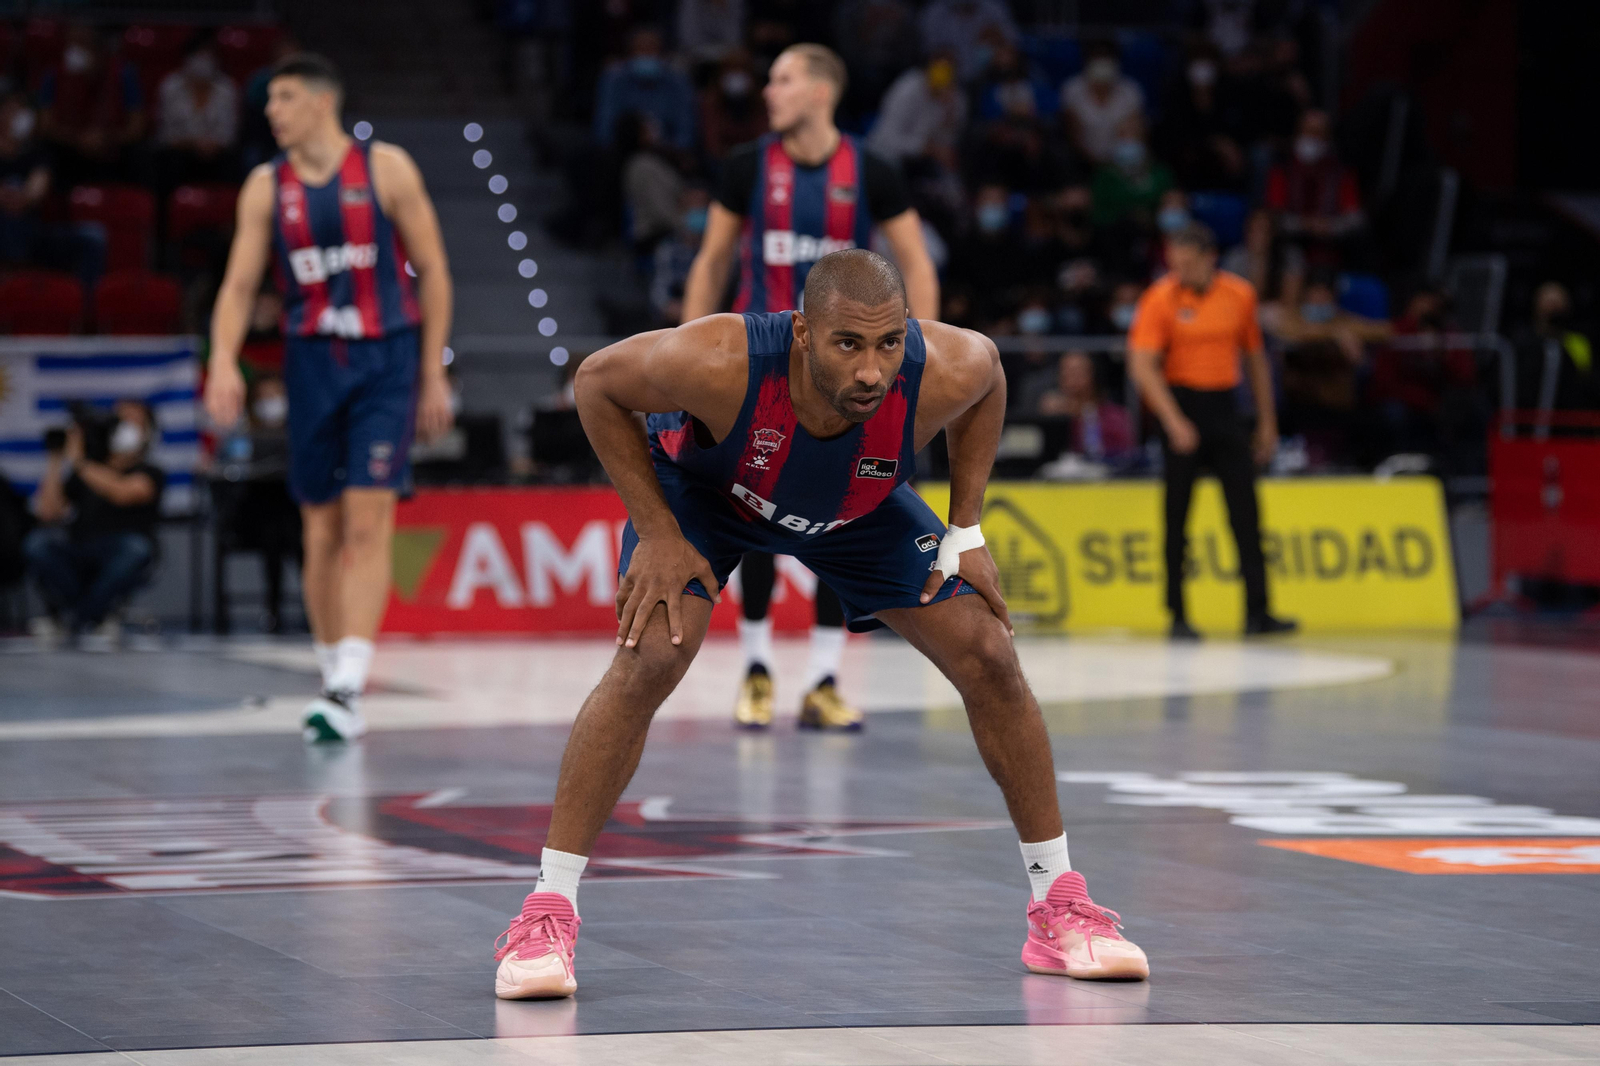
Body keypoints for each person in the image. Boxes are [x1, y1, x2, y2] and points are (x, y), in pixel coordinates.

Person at [491, 249, 1149, 1000]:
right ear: (802, 332)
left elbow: (992, 376)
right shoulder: (720, 360)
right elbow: (597, 383)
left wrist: (965, 529)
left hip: (853, 511)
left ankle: (1058, 906)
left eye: (888, 344)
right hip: (711, 496)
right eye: (849, 344)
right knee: (653, 655)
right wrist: (659, 531)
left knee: (989, 652)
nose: (872, 371)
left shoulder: (945, 369)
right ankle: (546, 911)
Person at [683, 43, 940, 731]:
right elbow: (711, 263)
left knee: (840, 511)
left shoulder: (873, 172)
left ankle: (825, 680)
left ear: (822, 91)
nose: (769, 90)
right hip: (761, 374)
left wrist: (917, 358)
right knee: (755, 514)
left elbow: (915, 263)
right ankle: (757, 671)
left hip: (841, 375)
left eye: (784, 79)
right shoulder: (745, 168)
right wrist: (688, 352)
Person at [203, 54, 453, 742]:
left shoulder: (386, 168)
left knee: (369, 518)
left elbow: (432, 271)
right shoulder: (265, 187)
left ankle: (348, 682)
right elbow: (236, 287)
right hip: (312, 359)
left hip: (387, 358)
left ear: (320, 101)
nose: (270, 111)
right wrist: (222, 359)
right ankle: (330, 667)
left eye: (282, 98)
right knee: (320, 525)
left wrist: (433, 370)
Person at [1127, 222, 1296, 640]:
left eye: (1187, 262)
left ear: (1209, 258)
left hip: (1224, 406)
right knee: (1177, 515)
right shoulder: (1160, 298)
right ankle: (1178, 614)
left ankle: (1258, 610)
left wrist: (1267, 422)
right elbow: (1142, 365)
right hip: (1182, 405)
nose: (1179, 270)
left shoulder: (1239, 295)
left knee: (1246, 512)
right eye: (1174, 263)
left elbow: (1256, 360)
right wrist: (1172, 420)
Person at [25, 400, 165, 645]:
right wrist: (57, 458)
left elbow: (125, 492)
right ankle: (93, 615)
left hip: (118, 552)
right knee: (37, 544)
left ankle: (76, 618)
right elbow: (48, 512)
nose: (126, 428)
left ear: (148, 432)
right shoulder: (86, 469)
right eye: (121, 421)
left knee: (135, 549)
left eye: (135, 422)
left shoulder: (150, 471)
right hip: (79, 548)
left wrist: (80, 462)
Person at [37, 23, 147, 187]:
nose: (73, 51)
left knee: (140, 155)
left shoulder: (124, 73)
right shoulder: (54, 74)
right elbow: (45, 125)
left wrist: (106, 138)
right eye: (70, 44)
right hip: (71, 148)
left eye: (80, 44)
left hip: (112, 147)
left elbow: (137, 127)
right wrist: (79, 139)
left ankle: (131, 206)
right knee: (45, 152)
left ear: (97, 49)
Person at [1263, 109, 1363, 269]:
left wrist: (1329, 227)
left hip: (1332, 252)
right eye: (1308, 132)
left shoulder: (1340, 173)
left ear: (1328, 138)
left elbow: (1355, 219)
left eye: (1318, 133)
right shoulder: (1283, 168)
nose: (1312, 138)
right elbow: (1273, 216)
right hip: (1286, 247)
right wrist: (1305, 224)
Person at [155, 32, 240, 190]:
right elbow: (165, 134)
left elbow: (229, 134)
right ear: (187, 58)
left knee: (233, 160)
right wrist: (193, 144)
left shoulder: (227, 89)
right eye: (198, 54)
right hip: (181, 152)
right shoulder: (170, 87)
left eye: (207, 55)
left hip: (217, 153)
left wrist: (213, 145)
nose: (203, 60)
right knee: (166, 160)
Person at [592, 27, 696, 153]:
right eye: (641, 50)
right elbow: (604, 128)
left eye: (651, 50)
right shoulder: (614, 80)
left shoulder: (677, 82)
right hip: (623, 152)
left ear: (663, 54)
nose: (646, 55)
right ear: (629, 54)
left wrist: (672, 151)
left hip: (666, 152)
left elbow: (686, 129)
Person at [1035, 350, 1135, 462]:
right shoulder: (1053, 412)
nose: (1071, 377)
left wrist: (1083, 414)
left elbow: (1125, 453)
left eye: (1078, 371)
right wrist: (1049, 418)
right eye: (1066, 371)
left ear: (1094, 375)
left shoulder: (1115, 416)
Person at [1060, 39, 1145, 167]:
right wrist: (1091, 162)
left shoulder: (1131, 91)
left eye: (1106, 57)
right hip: (1080, 161)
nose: (1102, 63)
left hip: (1121, 164)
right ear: (1087, 61)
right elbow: (1072, 135)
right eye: (1097, 57)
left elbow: (1137, 133)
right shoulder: (1071, 89)